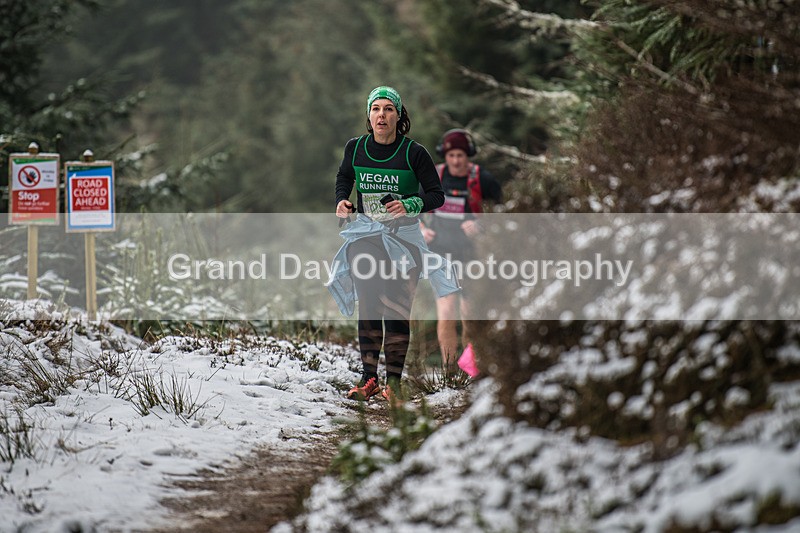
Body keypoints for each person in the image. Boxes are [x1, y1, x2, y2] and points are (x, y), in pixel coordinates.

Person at [328, 86, 460, 404]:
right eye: (376, 109)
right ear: (368, 115)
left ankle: (394, 383)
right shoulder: (356, 148)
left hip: (405, 240)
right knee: (370, 297)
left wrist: (410, 205)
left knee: (397, 310)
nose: (381, 115)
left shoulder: (414, 153)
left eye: (388, 109)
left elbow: (436, 194)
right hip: (366, 236)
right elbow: (344, 177)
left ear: (398, 116)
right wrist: (342, 201)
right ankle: (368, 377)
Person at [420, 128, 502, 371]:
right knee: (446, 311)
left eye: (461, 155)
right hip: (439, 253)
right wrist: (421, 229)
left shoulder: (481, 179)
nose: (456, 160)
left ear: (469, 156)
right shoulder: (434, 176)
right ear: (445, 155)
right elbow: (410, 207)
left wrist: (481, 225)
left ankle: (471, 369)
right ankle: (448, 370)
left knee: (470, 313)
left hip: (471, 254)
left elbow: (505, 211)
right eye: (451, 155)